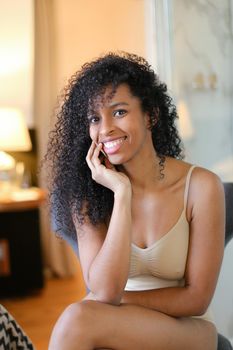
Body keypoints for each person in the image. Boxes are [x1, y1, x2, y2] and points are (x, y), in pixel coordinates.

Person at [46, 52, 225, 350]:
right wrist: (122, 194)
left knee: (77, 320)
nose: (105, 130)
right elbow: (103, 291)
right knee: (80, 321)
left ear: (150, 115)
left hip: (188, 330)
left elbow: (197, 298)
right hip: (114, 321)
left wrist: (121, 300)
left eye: (118, 112)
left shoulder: (201, 187)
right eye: (94, 118)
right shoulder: (89, 193)